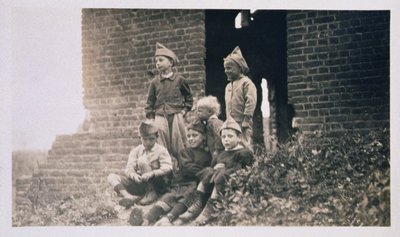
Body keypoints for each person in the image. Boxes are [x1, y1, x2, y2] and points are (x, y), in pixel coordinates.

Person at [128, 121, 212, 226]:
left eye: (195, 135)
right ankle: (146, 219)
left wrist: (199, 170)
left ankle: (167, 219)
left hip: (194, 185)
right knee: (168, 198)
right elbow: (186, 168)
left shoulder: (208, 155)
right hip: (180, 183)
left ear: (203, 137)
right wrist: (202, 170)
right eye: (189, 136)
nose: (191, 138)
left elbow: (201, 170)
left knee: (186, 199)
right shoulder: (184, 152)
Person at [178, 117, 254, 225]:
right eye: (223, 137)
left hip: (232, 181)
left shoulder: (243, 152)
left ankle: (211, 206)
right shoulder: (221, 153)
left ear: (239, 137)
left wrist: (225, 169)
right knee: (208, 171)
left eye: (230, 136)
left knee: (221, 174)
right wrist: (215, 168)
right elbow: (212, 167)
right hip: (217, 178)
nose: (226, 139)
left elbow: (245, 169)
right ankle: (197, 203)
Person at [145, 42, 194, 161]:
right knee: (161, 144)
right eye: (156, 61)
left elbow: (189, 98)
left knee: (179, 143)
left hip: (176, 115)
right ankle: (165, 171)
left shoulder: (180, 80)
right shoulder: (155, 82)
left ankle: (182, 169)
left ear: (170, 63)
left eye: (161, 60)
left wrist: (185, 110)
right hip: (160, 116)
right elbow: (150, 102)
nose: (157, 63)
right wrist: (151, 117)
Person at [107, 120, 173, 207]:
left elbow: (168, 167)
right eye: (144, 139)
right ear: (140, 138)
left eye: (151, 139)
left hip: (156, 184)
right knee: (111, 177)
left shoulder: (161, 150)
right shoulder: (136, 151)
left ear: (157, 137)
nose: (148, 142)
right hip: (140, 182)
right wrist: (134, 176)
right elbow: (129, 168)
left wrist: (152, 173)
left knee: (142, 160)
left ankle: (151, 193)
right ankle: (129, 197)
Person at [224, 46, 257, 149]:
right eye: (225, 68)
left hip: (242, 122)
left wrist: (246, 119)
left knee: (244, 144)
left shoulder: (246, 83)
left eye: (229, 68)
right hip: (231, 122)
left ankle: (248, 164)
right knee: (232, 145)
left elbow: (250, 102)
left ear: (239, 68)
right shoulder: (229, 86)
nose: (226, 71)